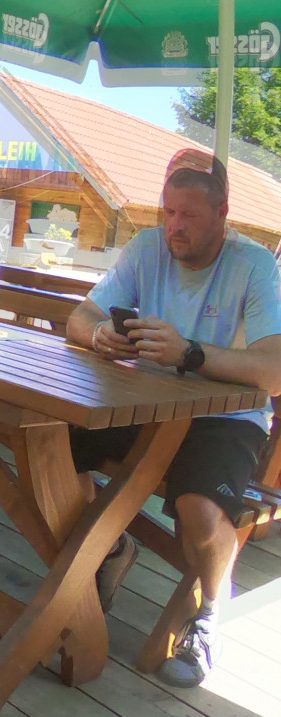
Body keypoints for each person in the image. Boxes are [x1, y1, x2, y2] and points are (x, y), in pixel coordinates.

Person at [65, 147, 281, 687]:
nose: (174, 227)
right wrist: (100, 335)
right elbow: (79, 316)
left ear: (222, 215)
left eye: (189, 215)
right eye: (168, 212)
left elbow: (273, 372)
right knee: (50, 443)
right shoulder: (147, 247)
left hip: (228, 416)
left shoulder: (253, 265)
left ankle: (210, 614)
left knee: (200, 510)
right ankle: (109, 549)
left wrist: (190, 353)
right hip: (144, 402)